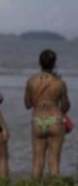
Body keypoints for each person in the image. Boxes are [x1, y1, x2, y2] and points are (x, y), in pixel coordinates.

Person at [24, 49, 71, 178]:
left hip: (38, 121)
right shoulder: (60, 83)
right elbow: (65, 107)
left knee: (37, 162)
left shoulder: (31, 81)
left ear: (39, 63)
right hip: (55, 120)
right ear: (54, 63)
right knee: (54, 162)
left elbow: (27, 105)